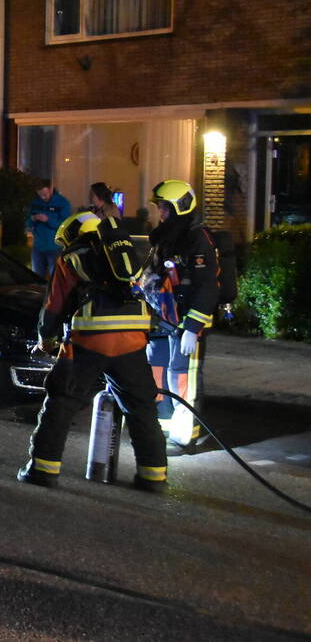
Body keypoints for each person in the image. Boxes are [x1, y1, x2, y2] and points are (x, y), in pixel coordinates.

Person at [18, 211, 167, 492]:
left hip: (90, 340)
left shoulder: (71, 258)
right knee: (141, 407)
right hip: (133, 339)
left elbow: (53, 305)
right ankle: (153, 475)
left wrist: (46, 340)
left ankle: (42, 469)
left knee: (61, 402)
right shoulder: (125, 254)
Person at [143, 180, 218, 449]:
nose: (160, 213)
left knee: (183, 377)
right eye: (159, 207)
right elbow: (152, 278)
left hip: (186, 325)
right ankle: (162, 424)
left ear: (180, 207)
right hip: (162, 321)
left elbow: (207, 285)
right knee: (157, 371)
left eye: (165, 207)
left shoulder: (197, 238)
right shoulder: (164, 238)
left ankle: (187, 432)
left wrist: (193, 327)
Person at [25, 180, 72, 277]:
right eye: (40, 195)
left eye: (45, 194)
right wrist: (33, 218)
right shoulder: (35, 202)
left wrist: (48, 220)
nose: (43, 197)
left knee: (55, 279)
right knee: (36, 278)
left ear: (51, 188)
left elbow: (65, 225)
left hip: (55, 247)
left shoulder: (62, 203)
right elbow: (27, 221)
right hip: (38, 247)